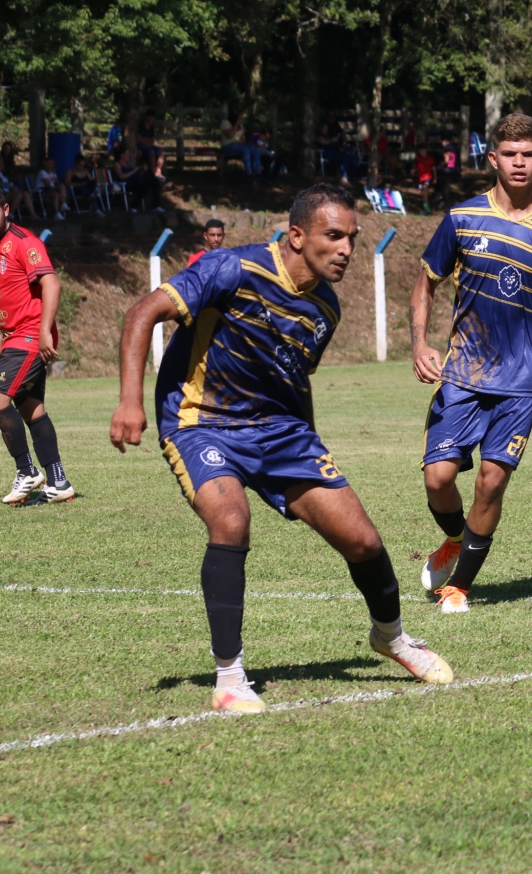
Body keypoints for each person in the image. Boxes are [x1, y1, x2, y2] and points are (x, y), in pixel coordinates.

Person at [109, 183, 454, 714]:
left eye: (352, 238)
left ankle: (392, 638)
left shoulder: (325, 308)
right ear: (296, 236)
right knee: (231, 520)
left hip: (280, 433)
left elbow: (293, 378)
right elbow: (141, 314)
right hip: (201, 423)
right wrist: (130, 401)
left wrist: (311, 444)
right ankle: (229, 678)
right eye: (333, 236)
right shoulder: (231, 269)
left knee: (363, 541)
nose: (345, 249)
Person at [410, 113, 532, 614]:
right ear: (493, 158)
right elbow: (426, 283)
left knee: (491, 480)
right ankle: (454, 539)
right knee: (438, 478)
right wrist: (419, 343)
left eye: (528, 154)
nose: (518, 162)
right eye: (509, 154)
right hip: (464, 371)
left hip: (525, 378)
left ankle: (459, 587)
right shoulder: (462, 218)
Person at [0, 184, 75, 505]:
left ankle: (27, 471)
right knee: (31, 409)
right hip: (14, 337)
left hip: (29, 335)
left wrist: (45, 331)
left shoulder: (25, 243)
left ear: (6, 210)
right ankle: (58, 481)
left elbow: (51, 283)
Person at [0, 156, 40, 220]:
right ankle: (10, 213)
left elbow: (11, 185)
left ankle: (33, 214)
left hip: (8, 193)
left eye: (0, 163)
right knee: (18, 195)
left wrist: (17, 189)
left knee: (24, 193)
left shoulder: (4, 175)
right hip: (0, 194)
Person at [317, 111, 359, 185]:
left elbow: (341, 134)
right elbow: (322, 141)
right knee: (346, 158)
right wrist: (332, 140)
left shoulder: (333, 129)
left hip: (336, 150)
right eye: (325, 127)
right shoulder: (321, 135)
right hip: (328, 152)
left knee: (351, 155)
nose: (326, 128)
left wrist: (342, 145)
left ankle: (355, 174)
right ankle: (344, 178)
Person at [220, 112, 263, 177]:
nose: (242, 119)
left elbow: (244, 139)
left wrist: (239, 142)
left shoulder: (241, 126)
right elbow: (230, 136)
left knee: (254, 149)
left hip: (239, 145)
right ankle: (249, 173)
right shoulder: (225, 122)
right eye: (240, 118)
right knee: (245, 150)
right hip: (227, 146)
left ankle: (257, 172)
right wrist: (236, 124)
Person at [137, 110, 166, 179]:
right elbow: (139, 139)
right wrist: (147, 141)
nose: (151, 119)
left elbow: (152, 141)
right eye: (150, 117)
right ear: (146, 117)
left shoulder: (151, 128)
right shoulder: (141, 126)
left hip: (150, 145)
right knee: (152, 153)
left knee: (162, 152)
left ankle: (158, 170)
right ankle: (154, 172)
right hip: (141, 146)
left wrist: (145, 140)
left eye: (152, 117)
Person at [414, 145, 437, 213]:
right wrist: (413, 170)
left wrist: (435, 178)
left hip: (428, 177)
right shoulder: (418, 158)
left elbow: (433, 168)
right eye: (420, 151)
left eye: (422, 150)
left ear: (425, 150)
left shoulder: (430, 158)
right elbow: (416, 166)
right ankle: (426, 205)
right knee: (423, 192)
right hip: (420, 178)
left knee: (426, 186)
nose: (421, 152)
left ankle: (426, 204)